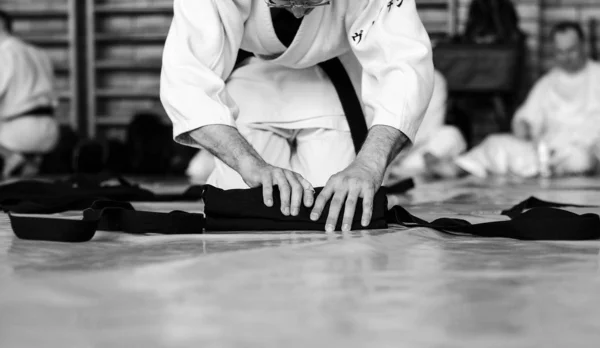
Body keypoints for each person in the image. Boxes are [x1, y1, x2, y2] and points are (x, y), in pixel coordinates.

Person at [161, 0, 434, 232]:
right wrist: (248, 162)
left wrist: (369, 165)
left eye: (312, 3)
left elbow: (405, 66)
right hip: (249, 82)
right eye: (285, 2)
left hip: (333, 84)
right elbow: (187, 77)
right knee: (247, 210)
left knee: (338, 212)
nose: (298, 13)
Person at [431, 21, 600, 178]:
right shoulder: (547, 83)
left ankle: (553, 169)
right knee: (496, 143)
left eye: (571, 50)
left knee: (581, 160)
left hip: (583, 151)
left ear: (583, 46)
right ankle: (459, 167)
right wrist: (524, 125)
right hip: (547, 152)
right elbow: (526, 117)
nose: (566, 57)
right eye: (560, 52)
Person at [0, 10, 59, 178]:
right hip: (49, 131)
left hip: (16, 133)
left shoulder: (3, 53)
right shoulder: (38, 53)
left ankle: (11, 157)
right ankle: (28, 164)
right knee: (24, 187)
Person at [383, 69, 466, 183]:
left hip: (411, 153)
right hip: (373, 149)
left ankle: (407, 170)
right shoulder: (379, 72)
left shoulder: (435, 79)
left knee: (451, 135)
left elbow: (431, 127)